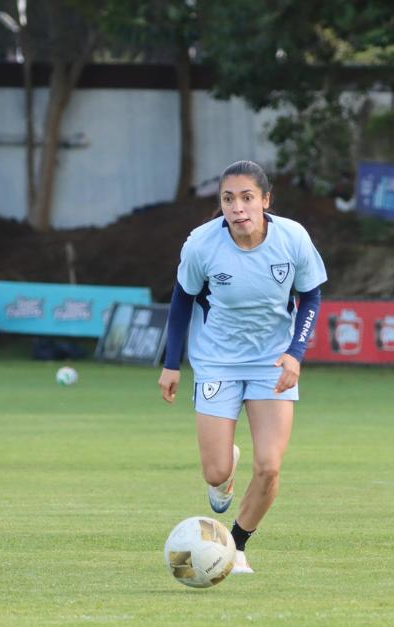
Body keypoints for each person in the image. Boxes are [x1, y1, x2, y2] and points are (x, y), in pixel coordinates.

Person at [158, 160, 327, 572]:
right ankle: (225, 470)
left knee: (269, 466)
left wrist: (295, 353)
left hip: (272, 364)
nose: (238, 208)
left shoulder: (292, 238)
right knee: (215, 473)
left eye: (248, 198)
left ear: (266, 201)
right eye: (229, 199)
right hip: (216, 362)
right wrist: (171, 364)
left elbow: (311, 297)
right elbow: (181, 301)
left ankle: (236, 547)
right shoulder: (201, 244)